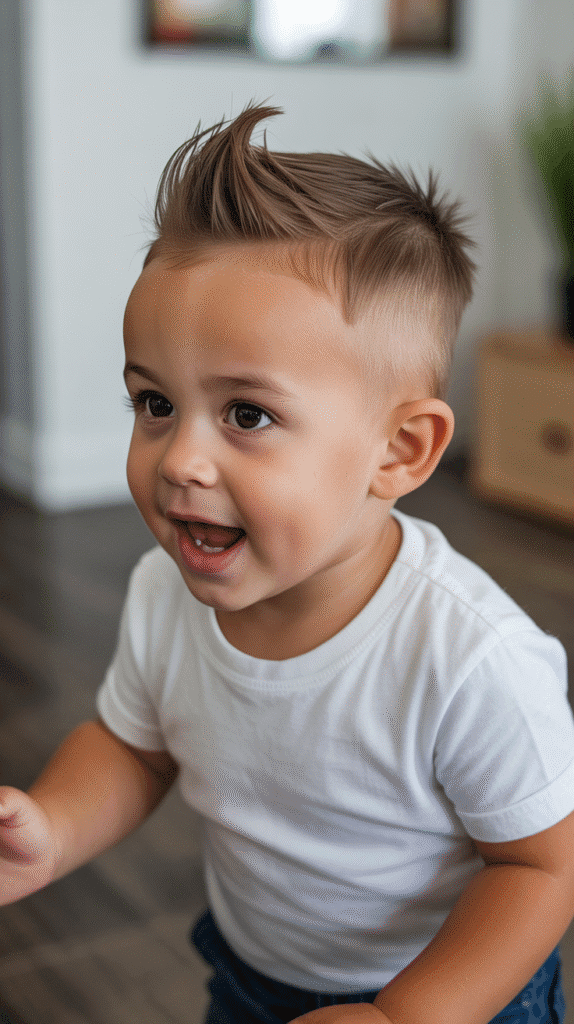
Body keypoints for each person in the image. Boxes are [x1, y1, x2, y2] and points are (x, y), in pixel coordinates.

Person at [1, 102, 573, 1024]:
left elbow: (543, 867)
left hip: (451, 996)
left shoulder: (470, 658)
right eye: (153, 402)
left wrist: (404, 1014)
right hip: (252, 974)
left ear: (400, 452)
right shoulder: (164, 593)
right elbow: (134, 747)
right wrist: (56, 827)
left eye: (247, 415)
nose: (180, 459)